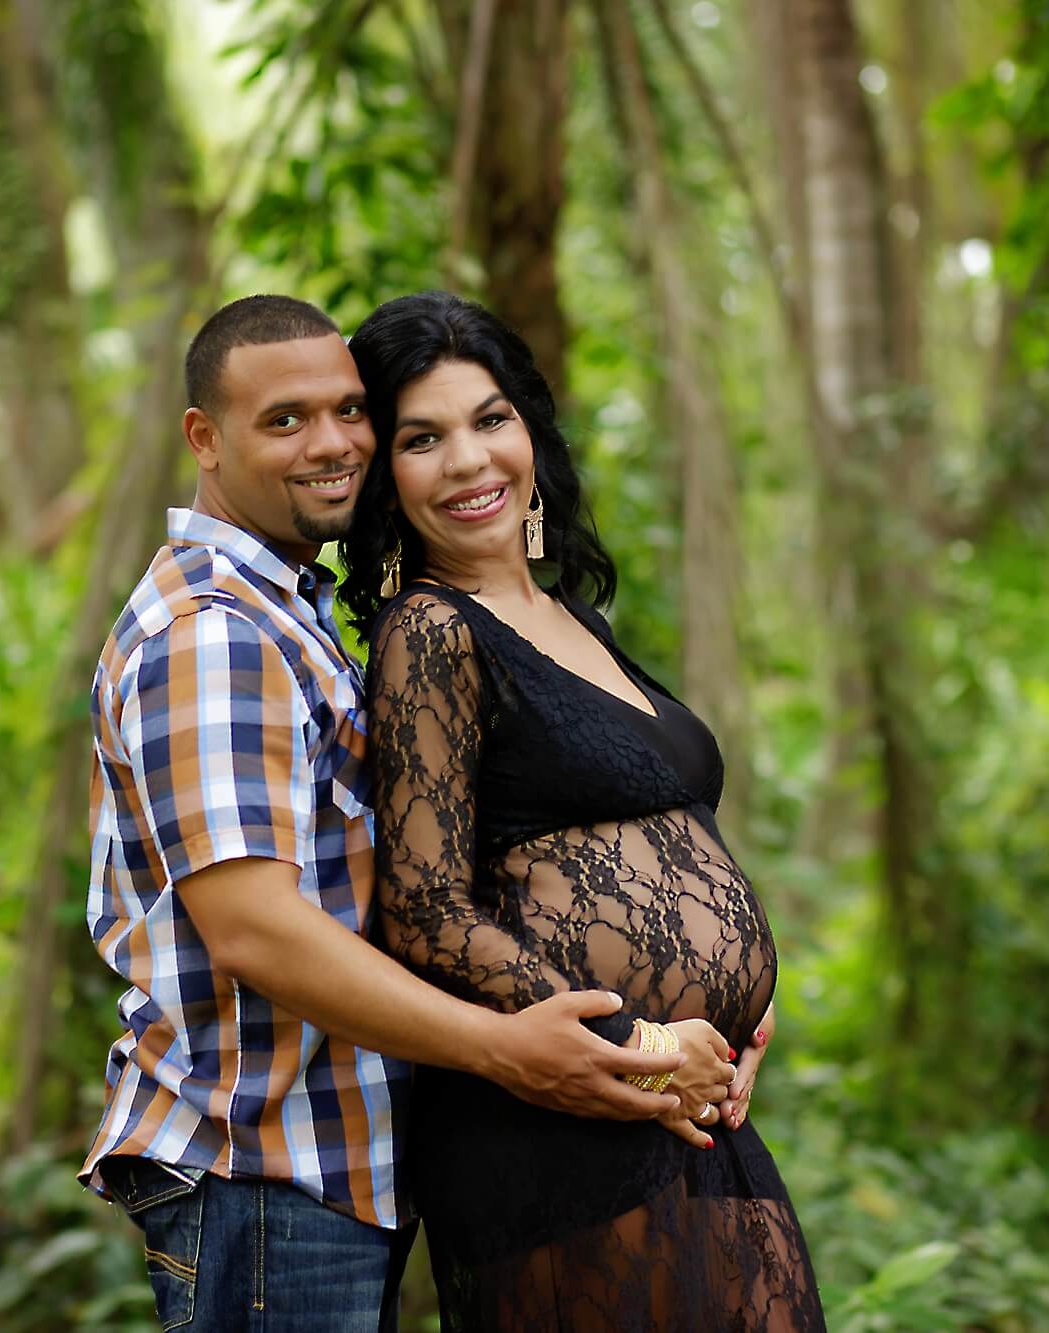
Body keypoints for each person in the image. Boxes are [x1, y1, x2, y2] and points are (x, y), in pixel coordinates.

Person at [78, 294, 736, 1331]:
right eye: (284, 419)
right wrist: (500, 1045)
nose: (332, 441)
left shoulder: (287, 616)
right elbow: (253, 926)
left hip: (326, 1158)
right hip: (264, 1161)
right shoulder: (210, 634)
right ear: (203, 438)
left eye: (348, 411)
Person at [339, 290, 827, 1331]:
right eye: (421, 438)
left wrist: (742, 1010)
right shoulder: (427, 631)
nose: (468, 462)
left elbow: (657, 841)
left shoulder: (570, 618)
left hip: (682, 1109)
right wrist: (641, 1034)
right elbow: (426, 909)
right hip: (560, 1123)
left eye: (489, 419)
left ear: (531, 430)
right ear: (385, 476)